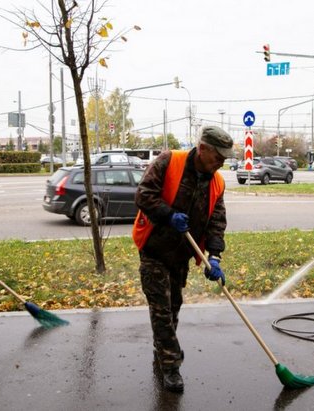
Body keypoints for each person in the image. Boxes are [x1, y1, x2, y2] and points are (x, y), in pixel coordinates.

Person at [133, 125, 233, 393]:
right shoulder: (169, 161)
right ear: (202, 149)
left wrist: (215, 257)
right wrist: (167, 215)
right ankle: (170, 364)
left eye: (225, 158)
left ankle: (162, 348)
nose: (221, 162)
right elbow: (143, 194)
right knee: (162, 311)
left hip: (181, 256)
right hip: (154, 250)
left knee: (174, 306)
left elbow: (216, 221)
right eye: (218, 156)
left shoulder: (217, 181)